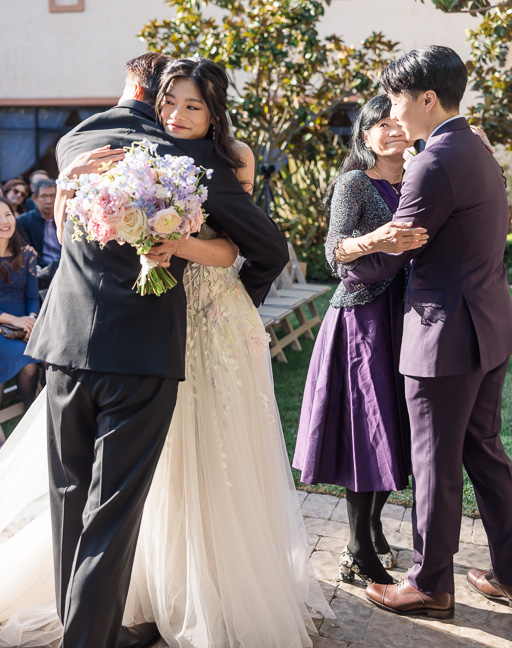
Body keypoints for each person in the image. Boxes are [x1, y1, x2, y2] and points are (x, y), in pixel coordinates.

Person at [0, 56, 331, 648]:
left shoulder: (81, 141)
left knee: (71, 499)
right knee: (112, 510)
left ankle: (86, 627)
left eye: (192, 105)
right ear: (154, 97)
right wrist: (233, 299)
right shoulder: (193, 163)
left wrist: (216, 295)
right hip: (139, 352)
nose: (176, 115)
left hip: (67, 342)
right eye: (170, 101)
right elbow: (266, 248)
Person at [340, 46, 512, 617]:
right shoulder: (478, 150)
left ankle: (430, 583)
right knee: (484, 454)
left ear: (427, 99)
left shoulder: (435, 162)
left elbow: (395, 250)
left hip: (443, 334)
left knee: (437, 462)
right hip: (487, 325)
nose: (390, 110)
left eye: (395, 99)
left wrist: (348, 250)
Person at [293, 95, 427, 586]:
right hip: (363, 320)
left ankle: (371, 527)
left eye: (398, 122)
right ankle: (356, 548)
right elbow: (335, 251)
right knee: (365, 431)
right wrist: (378, 239)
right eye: (380, 125)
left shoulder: (420, 177)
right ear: (366, 137)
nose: (392, 130)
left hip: (408, 317)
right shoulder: (354, 183)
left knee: (392, 428)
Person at [0, 197, 40, 410]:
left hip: (24, 324)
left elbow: (32, 297)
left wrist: (31, 321)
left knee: (38, 356)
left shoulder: (26, 254)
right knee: (25, 357)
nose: (4, 222)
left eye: (7, 214)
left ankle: (31, 415)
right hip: (4, 323)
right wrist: (16, 320)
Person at [17, 180, 62, 268]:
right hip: (40, 270)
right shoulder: (24, 221)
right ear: (34, 198)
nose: (49, 201)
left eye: (52, 196)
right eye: (43, 196)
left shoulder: (64, 218)